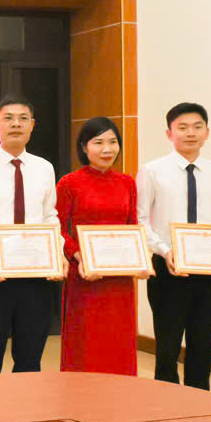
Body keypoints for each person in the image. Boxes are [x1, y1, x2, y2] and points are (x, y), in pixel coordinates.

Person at [136, 102, 211, 389]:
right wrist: (165, 251)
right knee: (168, 346)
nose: (190, 133)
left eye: (197, 127)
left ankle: (200, 401)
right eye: (182, 127)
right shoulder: (152, 171)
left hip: (209, 271)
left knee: (203, 343)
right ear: (169, 134)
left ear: (207, 132)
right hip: (167, 268)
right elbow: (141, 219)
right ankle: (166, 402)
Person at [0, 95, 66, 374]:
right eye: (8, 118)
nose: (16, 124)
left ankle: (26, 402)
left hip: (36, 277)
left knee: (30, 359)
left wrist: (57, 251)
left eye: (23, 118)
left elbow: (49, 216)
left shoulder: (44, 168)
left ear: (32, 125)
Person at [56, 117, 144, 375]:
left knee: (119, 339)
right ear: (84, 147)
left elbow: (132, 226)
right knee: (86, 342)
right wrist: (78, 255)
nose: (107, 149)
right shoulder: (69, 183)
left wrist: (140, 259)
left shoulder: (127, 182)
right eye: (98, 142)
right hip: (85, 274)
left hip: (119, 278)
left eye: (113, 142)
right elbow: (58, 228)